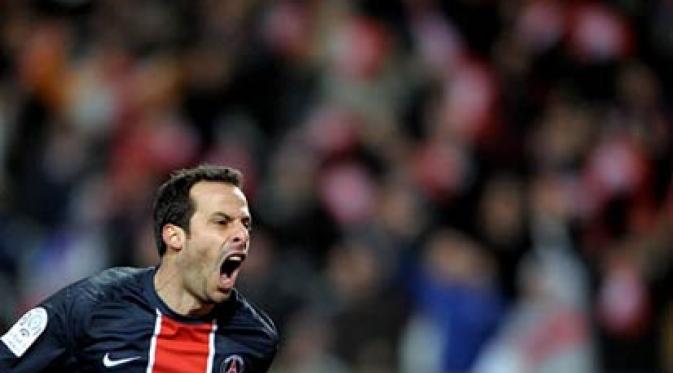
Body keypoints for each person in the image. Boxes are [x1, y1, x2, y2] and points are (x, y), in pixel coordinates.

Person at [0, 165, 279, 372]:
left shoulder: (254, 339)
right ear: (175, 236)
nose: (242, 235)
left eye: (245, 224)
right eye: (221, 222)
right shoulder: (92, 305)